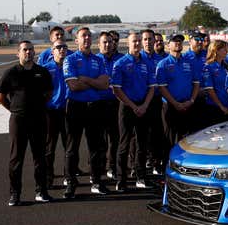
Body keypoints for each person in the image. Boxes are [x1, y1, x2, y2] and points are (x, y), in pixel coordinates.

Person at [0, 41, 53, 206]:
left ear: (34, 52)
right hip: (18, 121)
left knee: (40, 157)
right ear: (18, 53)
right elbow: (0, 98)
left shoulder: (42, 72)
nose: (28, 53)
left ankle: (41, 191)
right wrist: (15, 110)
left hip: (39, 119)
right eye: (25, 50)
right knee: (16, 158)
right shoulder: (10, 73)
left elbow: (49, 93)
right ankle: (15, 194)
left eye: (31, 50)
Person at [63, 27, 110, 197]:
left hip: (95, 106)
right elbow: (74, 86)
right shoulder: (70, 59)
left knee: (96, 147)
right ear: (76, 40)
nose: (87, 38)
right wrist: (94, 82)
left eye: (89, 36)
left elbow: (105, 84)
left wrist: (86, 80)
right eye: (83, 36)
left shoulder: (99, 60)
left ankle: (96, 181)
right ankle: (70, 184)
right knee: (72, 147)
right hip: (76, 106)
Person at [112, 32, 157, 191]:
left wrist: (144, 105)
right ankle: (121, 179)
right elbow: (116, 90)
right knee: (124, 145)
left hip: (143, 106)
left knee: (142, 144)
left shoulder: (148, 63)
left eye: (139, 41)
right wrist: (133, 106)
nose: (137, 44)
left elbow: (152, 87)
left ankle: (141, 176)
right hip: (127, 107)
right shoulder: (120, 63)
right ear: (128, 43)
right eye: (134, 41)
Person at [156, 34, 198, 163]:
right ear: (168, 45)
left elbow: (196, 83)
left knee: (186, 139)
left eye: (180, 41)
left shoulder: (188, 63)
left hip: (187, 106)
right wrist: (175, 103)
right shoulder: (163, 64)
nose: (178, 43)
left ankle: (184, 165)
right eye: (174, 41)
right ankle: (167, 167)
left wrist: (191, 101)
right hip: (170, 107)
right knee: (169, 140)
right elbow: (162, 88)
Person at [96, 32, 124, 179]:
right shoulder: (94, 60)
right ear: (99, 44)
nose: (108, 45)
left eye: (110, 42)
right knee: (99, 139)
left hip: (116, 103)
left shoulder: (121, 59)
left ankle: (112, 167)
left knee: (115, 138)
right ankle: (98, 167)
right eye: (104, 42)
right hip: (98, 104)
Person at [42, 40, 68, 189]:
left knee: (69, 146)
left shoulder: (70, 66)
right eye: (58, 47)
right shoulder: (45, 69)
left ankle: (68, 176)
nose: (62, 49)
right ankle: (48, 177)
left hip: (67, 111)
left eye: (64, 47)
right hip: (50, 112)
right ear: (52, 52)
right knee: (49, 148)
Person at [140, 29, 167, 174]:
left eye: (151, 39)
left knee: (157, 133)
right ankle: (139, 164)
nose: (149, 42)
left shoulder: (160, 60)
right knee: (140, 135)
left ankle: (156, 161)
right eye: (146, 39)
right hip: (141, 100)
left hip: (157, 100)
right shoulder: (137, 58)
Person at [202, 40, 228, 124]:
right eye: (224, 49)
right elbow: (210, 90)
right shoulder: (208, 67)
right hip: (216, 108)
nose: (226, 51)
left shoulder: (226, 66)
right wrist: (221, 106)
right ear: (216, 50)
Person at [183, 30, 208, 132]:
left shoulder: (208, 55)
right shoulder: (184, 57)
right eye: (197, 39)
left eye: (202, 39)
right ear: (190, 40)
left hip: (207, 97)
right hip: (192, 98)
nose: (200, 41)